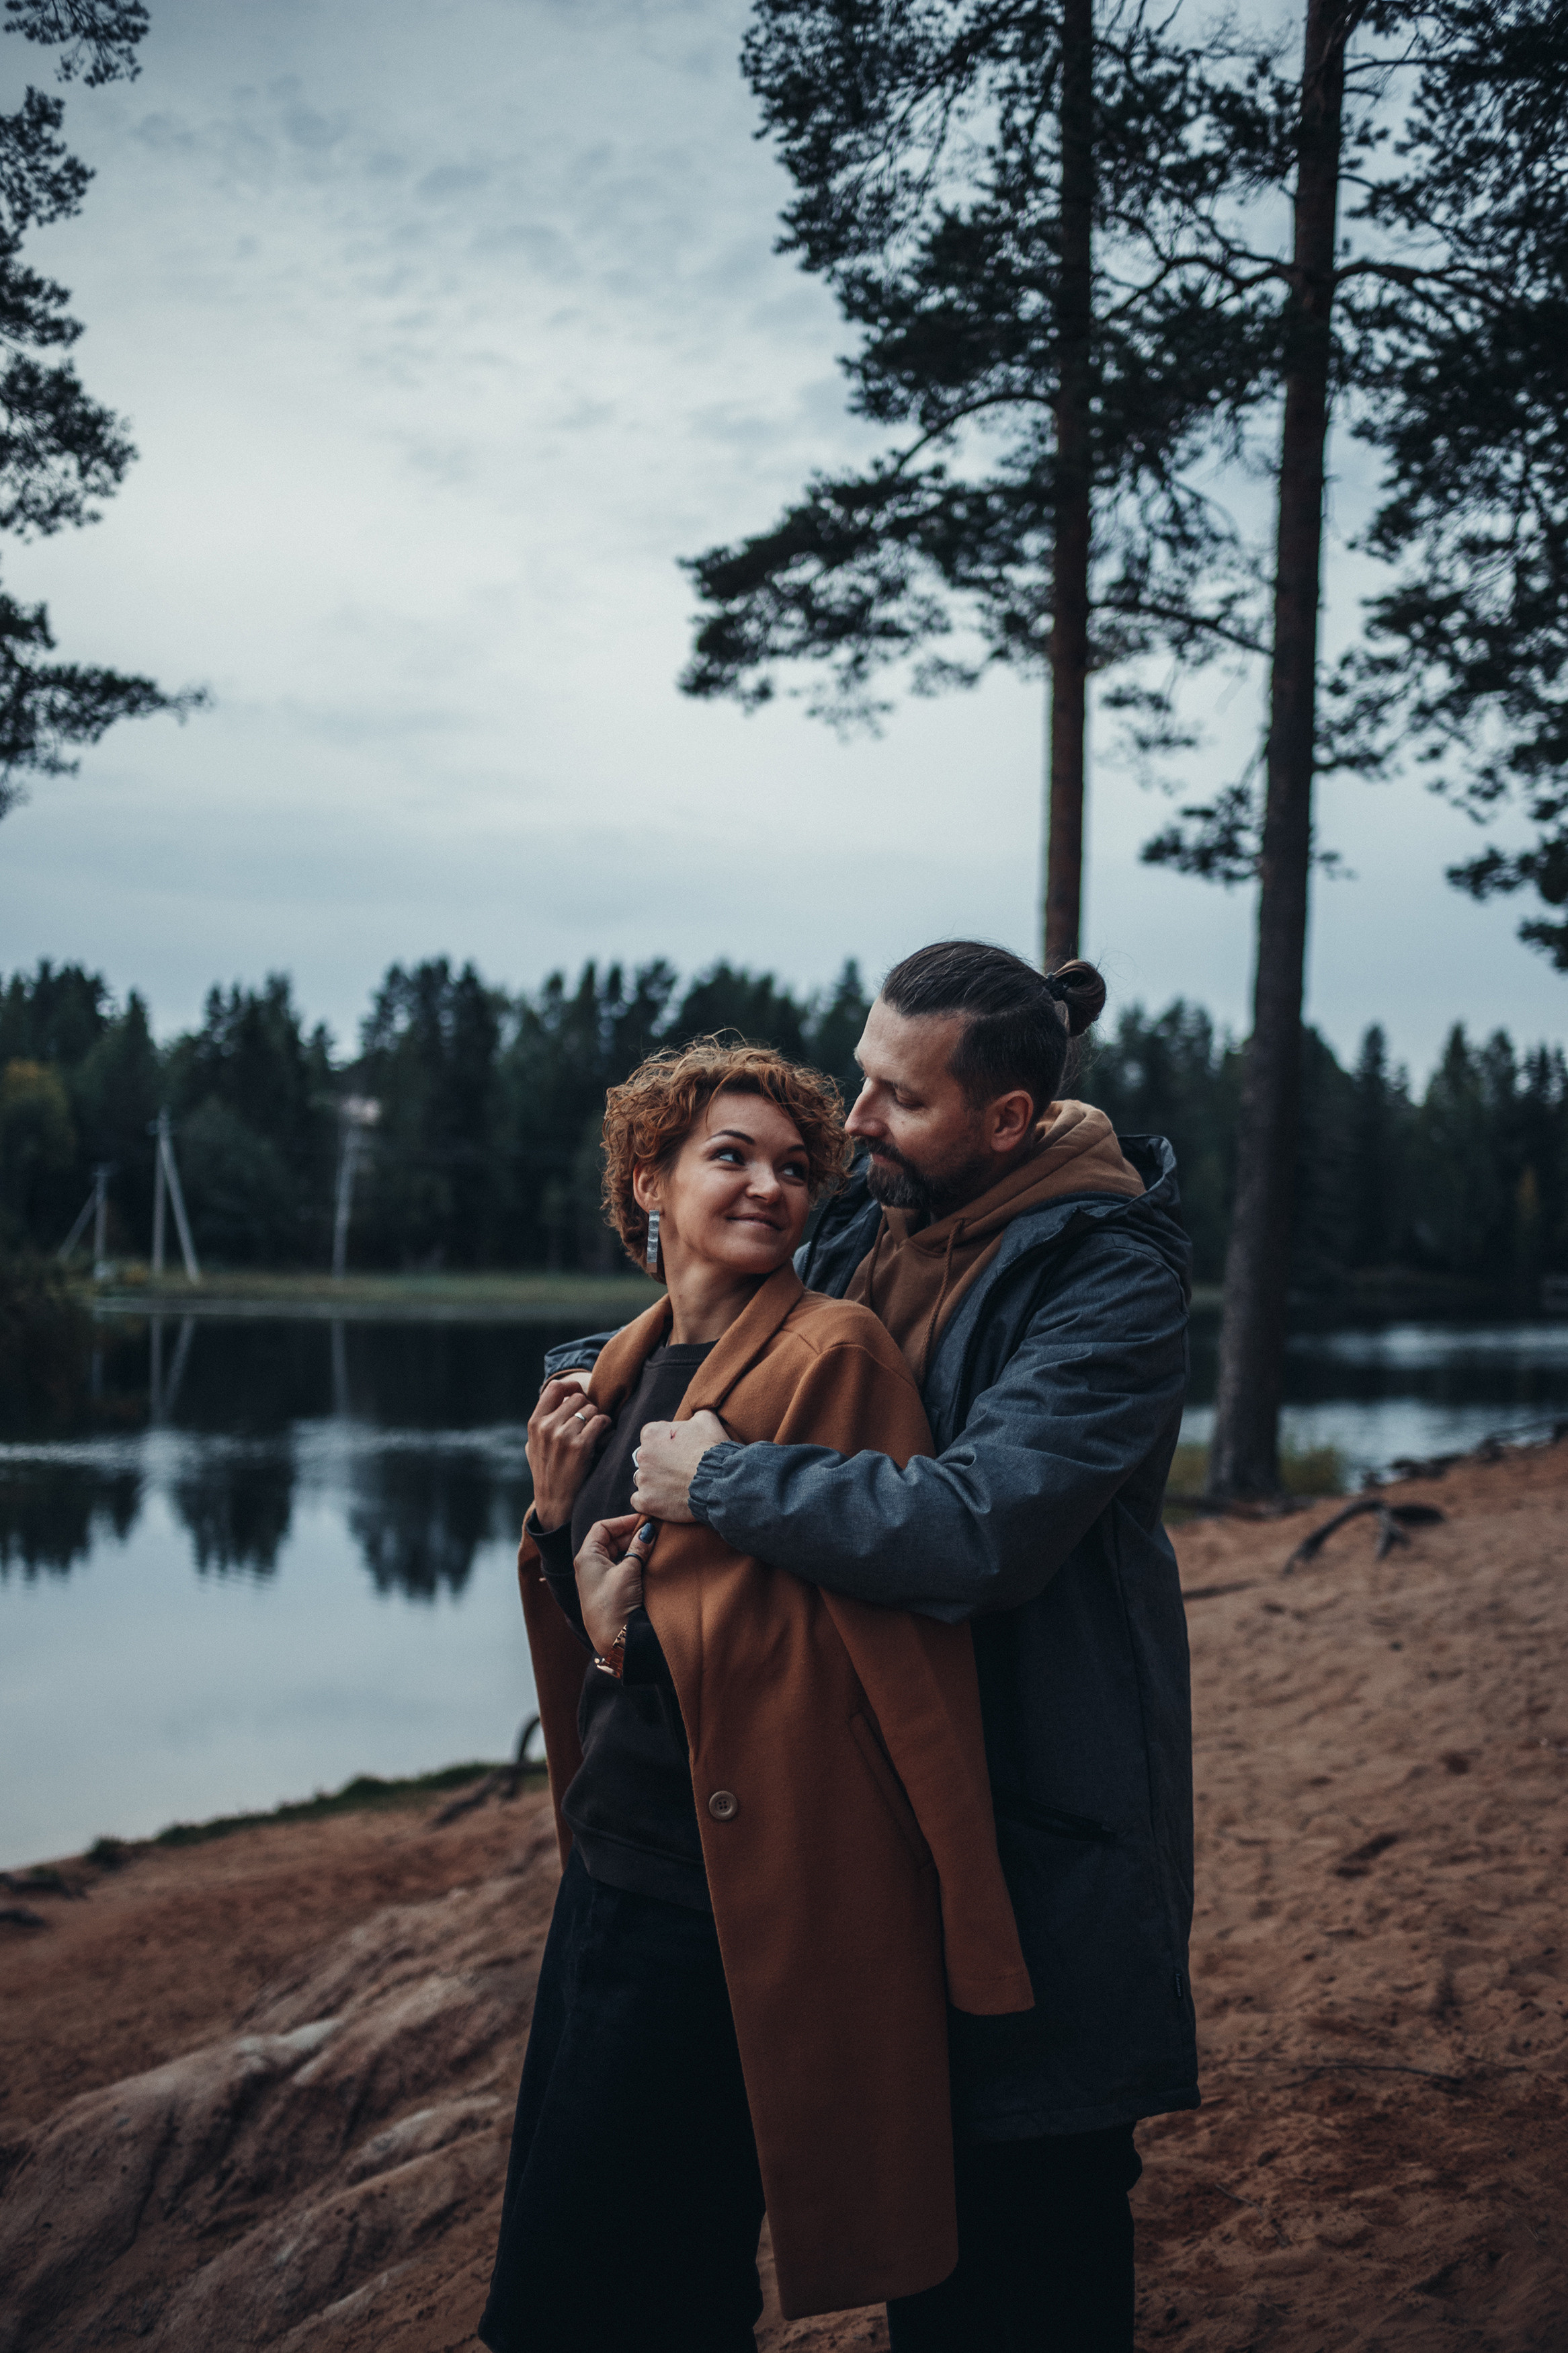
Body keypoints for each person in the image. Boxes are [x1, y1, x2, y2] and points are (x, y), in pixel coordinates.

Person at [595, 943, 1197, 2352]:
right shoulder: (872, 1225)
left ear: (1006, 1121)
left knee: (1032, 2237)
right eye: (859, 1080)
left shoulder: (1110, 1277)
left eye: (894, 1100)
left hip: (1045, 1828)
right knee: (931, 2247)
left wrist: (722, 1486)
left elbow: (983, 1526)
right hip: (890, 1826)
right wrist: (588, 1474)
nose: (851, 1124)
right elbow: (700, 1330)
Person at [478, 1037, 1033, 2353]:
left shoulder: (834, 1354)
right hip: (608, 1864)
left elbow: (862, 1626)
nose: (770, 1186)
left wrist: (637, 1609)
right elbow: (610, 1628)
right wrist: (558, 1522)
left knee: (649, 2280)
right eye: (728, 1155)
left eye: (795, 1167)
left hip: (724, 1889)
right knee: (561, 2277)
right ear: (649, 1180)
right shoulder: (618, 1368)